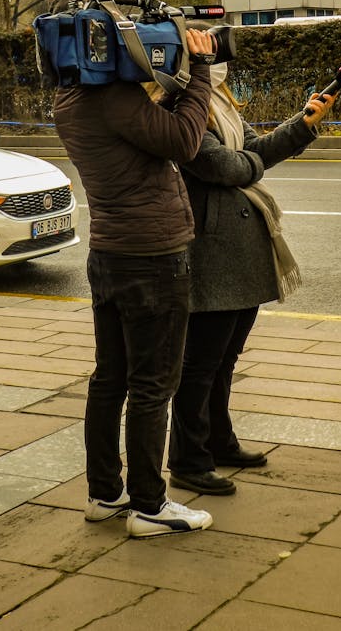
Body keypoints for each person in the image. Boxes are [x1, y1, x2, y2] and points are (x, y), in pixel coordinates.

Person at [53, 27, 218, 539]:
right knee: (152, 385)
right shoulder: (117, 100)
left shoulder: (70, 97)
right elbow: (185, 140)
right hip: (152, 257)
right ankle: (150, 504)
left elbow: (144, 124)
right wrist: (201, 70)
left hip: (109, 253)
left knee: (110, 378)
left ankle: (105, 493)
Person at [166, 62, 335, 495]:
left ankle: (218, 442)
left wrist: (303, 123)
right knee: (200, 364)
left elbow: (253, 150)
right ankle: (188, 459)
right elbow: (221, 166)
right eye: (208, 55)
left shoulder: (219, 102)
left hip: (239, 253)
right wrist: (250, 163)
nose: (219, 63)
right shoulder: (181, 104)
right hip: (213, 253)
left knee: (224, 360)